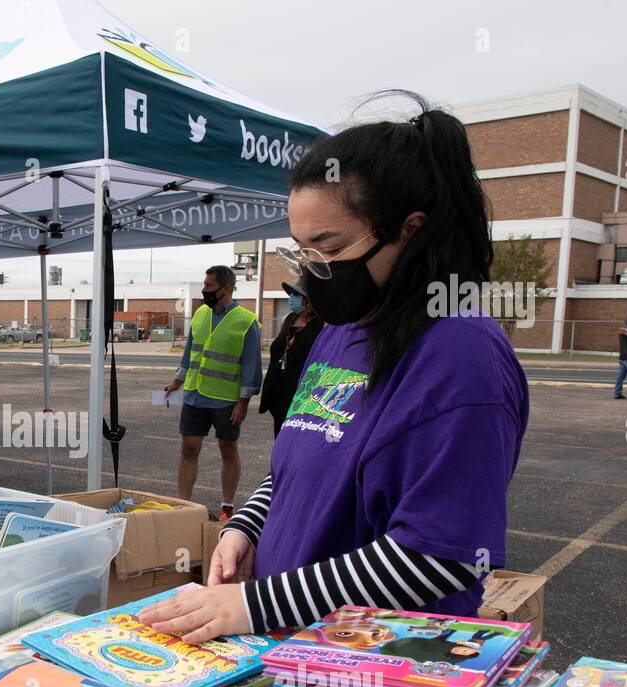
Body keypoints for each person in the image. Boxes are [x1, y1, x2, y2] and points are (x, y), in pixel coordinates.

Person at [139, 91, 529, 644]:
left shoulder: (461, 355)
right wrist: (248, 527)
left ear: (410, 230)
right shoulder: (342, 329)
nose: (313, 270)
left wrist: (254, 603)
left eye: (328, 246)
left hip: (378, 664)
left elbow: (442, 558)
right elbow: (299, 463)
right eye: (301, 250)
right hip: (290, 643)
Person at [162, 265, 262, 521]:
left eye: (209, 286)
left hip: (226, 399)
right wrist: (177, 382)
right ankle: (184, 505)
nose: (204, 290)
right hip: (195, 394)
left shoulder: (246, 321)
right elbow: (189, 353)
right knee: (188, 448)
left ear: (225, 288)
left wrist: (243, 402)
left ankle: (227, 506)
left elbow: (251, 366)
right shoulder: (199, 315)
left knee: (227, 448)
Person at [259, 281, 324, 435]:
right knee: (279, 439)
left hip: (302, 395)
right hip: (278, 394)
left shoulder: (322, 325)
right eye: (292, 294)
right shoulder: (287, 319)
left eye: (296, 295)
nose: (291, 298)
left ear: (309, 299)